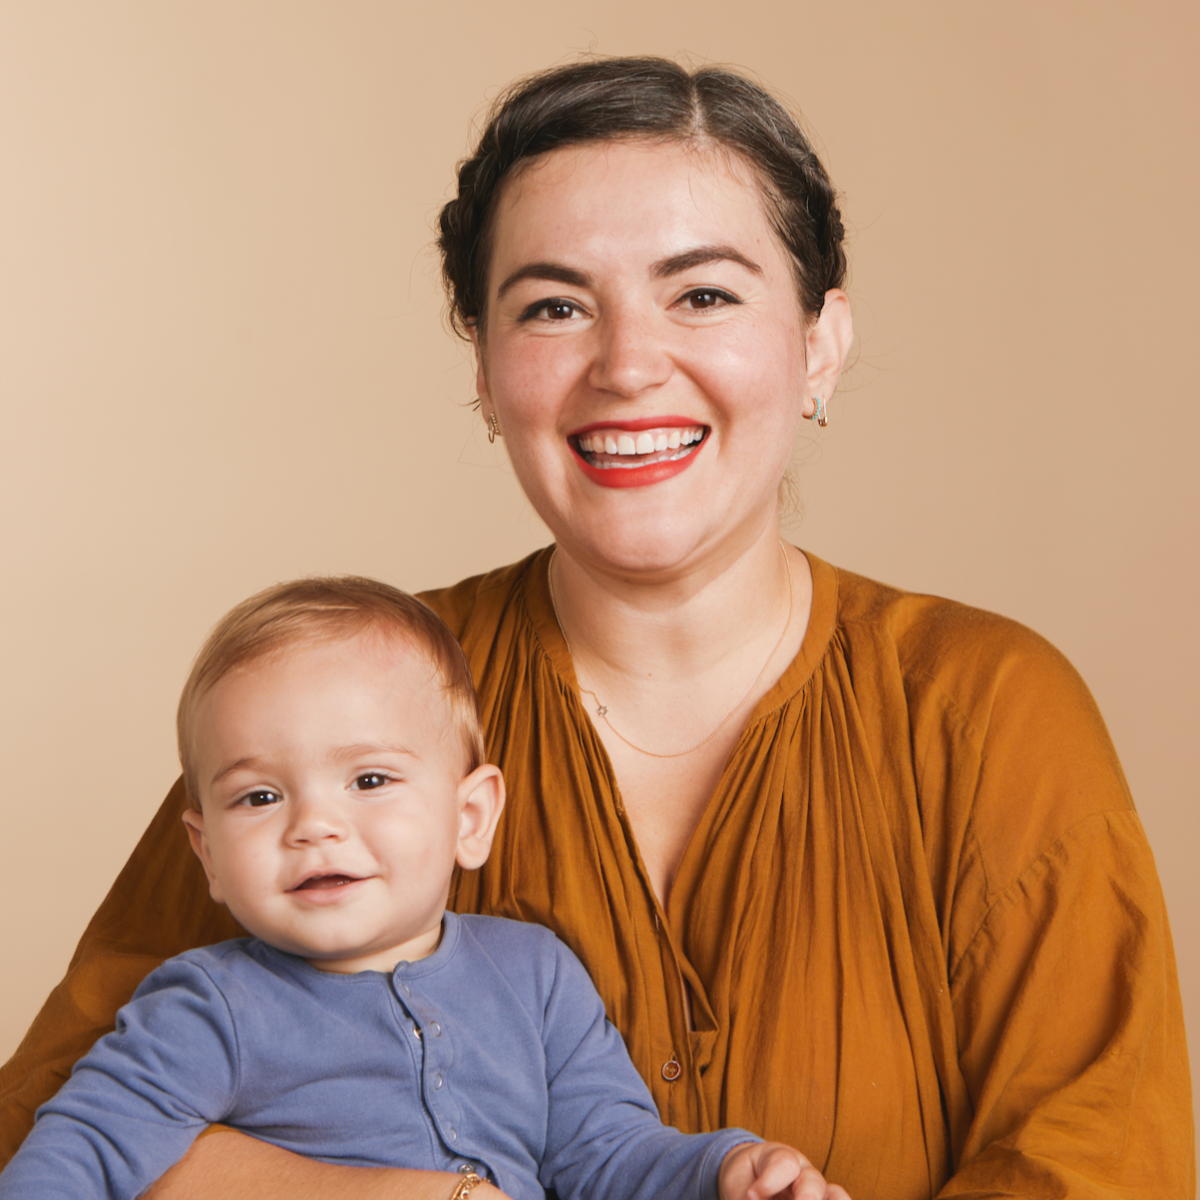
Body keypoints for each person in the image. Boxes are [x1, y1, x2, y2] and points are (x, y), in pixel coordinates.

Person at [0, 56, 1193, 1200]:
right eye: (555, 306)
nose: (627, 365)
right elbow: (45, 1123)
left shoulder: (987, 713)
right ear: (485, 369)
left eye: (703, 294)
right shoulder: (334, 698)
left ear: (819, 343)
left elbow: (1104, 1168)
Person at [0, 577, 839, 1200]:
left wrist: (725, 1167)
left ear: (471, 817)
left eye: (369, 780)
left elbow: (610, 1153)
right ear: (207, 854)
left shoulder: (535, 975)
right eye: (259, 797)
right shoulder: (209, 1005)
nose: (314, 825)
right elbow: (82, 1147)